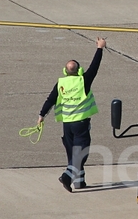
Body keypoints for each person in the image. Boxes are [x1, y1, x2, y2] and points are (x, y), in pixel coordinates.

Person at [37, 37, 106, 192]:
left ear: (64, 71)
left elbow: (50, 100)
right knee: (81, 153)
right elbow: (95, 67)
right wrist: (100, 48)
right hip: (81, 123)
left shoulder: (61, 83)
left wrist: (41, 115)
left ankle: (80, 181)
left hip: (67, 124)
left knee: (73, 152)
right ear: (79, 70)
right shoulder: (84, 81)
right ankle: (67, 176)